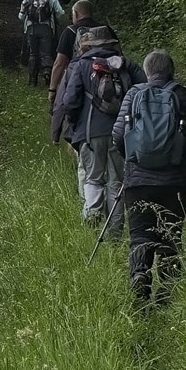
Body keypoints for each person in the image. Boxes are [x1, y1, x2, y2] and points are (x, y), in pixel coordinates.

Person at [113, 48, 186, 307]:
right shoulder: (185, 96)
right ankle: (166, 293)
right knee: (170, 235)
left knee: (140, 234)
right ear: (171, 71)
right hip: (176, 184)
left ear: (146, 71)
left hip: (138, 183)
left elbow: (118, 136)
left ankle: (139, 276)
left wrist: (134, 160)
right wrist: (181, 162)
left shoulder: (134, 95)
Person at [50, 28, 130, 230]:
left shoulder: (81, 65)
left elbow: (70, 101)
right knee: (116, 182)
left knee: (93, 178)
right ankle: (115, 231)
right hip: (120, 134)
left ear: (87, 46)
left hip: (89, 133)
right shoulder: (124, 64)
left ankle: (92, 218)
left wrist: (74, 125)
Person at [16, 0, 65, 85]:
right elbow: (60, 13)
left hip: (31, 28)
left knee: (33, 54)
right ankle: (47, 73)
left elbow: (21, 16)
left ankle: (33, 79)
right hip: (46, 28)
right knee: (46, 53)